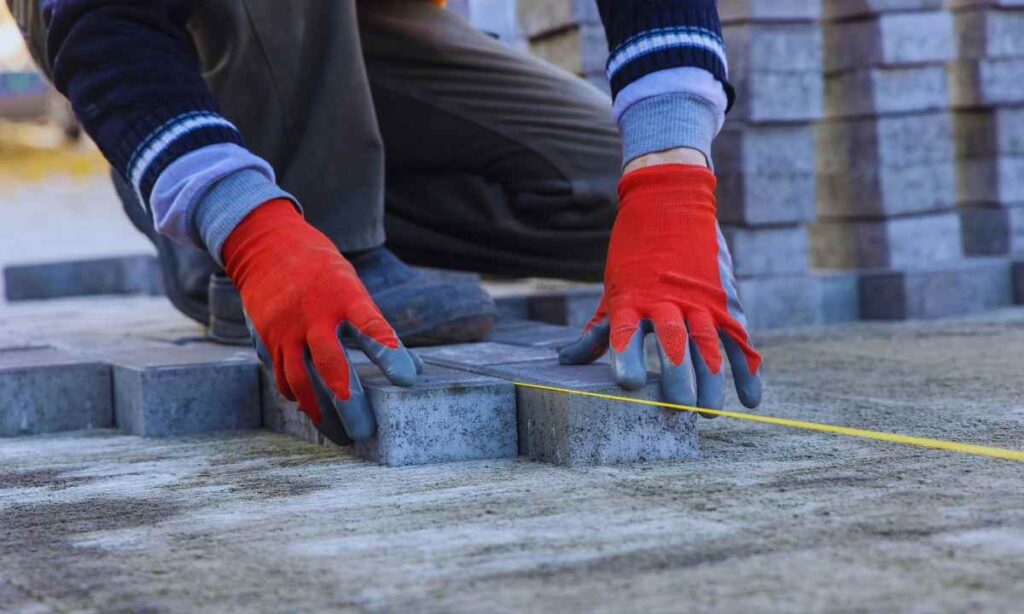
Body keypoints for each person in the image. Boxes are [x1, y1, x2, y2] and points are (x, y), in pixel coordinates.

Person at [9, 0, 762, 444]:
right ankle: (220, 194)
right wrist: (244, 225)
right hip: (161, 20)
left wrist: (669, 172)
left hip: (361, 27)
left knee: (601, 190)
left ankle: (293, 194)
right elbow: (95, 18)